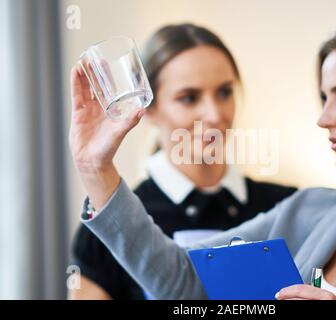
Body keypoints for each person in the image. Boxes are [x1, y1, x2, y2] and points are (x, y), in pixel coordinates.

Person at [69, 13, 336, 300]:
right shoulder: (306, 211)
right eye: (323, 98)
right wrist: (95, 167)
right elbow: (184, 282)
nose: (323, 118)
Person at [69, 24, 296, 300]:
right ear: (147, 107)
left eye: (224, 92)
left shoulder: (286, 207)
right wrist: (94, 166)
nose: (213, 114)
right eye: (189, 98)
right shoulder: (108, 227)